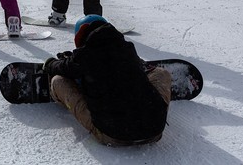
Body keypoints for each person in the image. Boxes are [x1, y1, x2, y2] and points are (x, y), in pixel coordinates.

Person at [43, 15, 172, 146]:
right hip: (155, 131)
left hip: (112, 134)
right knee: (161, 73)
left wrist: (50, 63)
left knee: (58, 80)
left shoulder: (84, 56)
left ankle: (60, 97)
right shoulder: (127, 48)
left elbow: (61, 68)